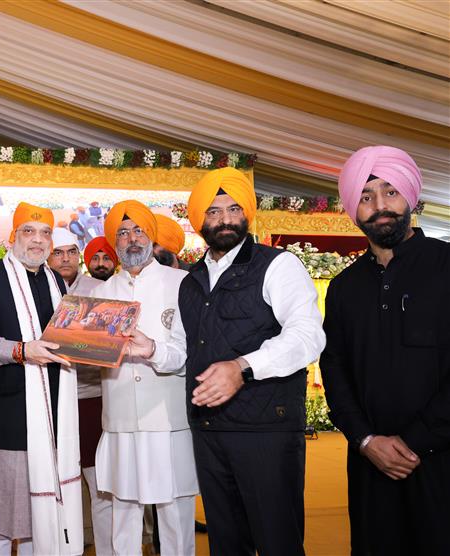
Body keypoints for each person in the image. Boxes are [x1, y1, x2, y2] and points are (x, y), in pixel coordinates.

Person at [132, 167, 325, 555]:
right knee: (226, 543)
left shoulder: (277, 265)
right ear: (199, 220)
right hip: (210, 431)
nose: (225, 220)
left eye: (234, 209)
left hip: (265, 431)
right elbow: (184, 351)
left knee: (277, 541)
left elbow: (308, 336)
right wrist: (151, 349)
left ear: (247, 213)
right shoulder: (191, 281)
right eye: (214, 211)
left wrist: (243, 367)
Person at [320, 146, 450, 555]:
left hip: (441, 460)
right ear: (353, 209)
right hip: (371, 463)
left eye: (390, 192)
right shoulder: (344, 287)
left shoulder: (446, 265)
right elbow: (334, 369)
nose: (380, 206)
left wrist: (415, 441)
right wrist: (365, 440)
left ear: (409, 195)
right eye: (366, 196)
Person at [0, 202, 82, 555]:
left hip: (50, 414)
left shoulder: (56, 280)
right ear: (13, 237)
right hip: (3, 413)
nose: (38, 240)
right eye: (29, 231)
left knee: (36, 520)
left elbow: (66, 337)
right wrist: (20, 350)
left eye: (45, 233)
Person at [91, 200, 198, 555]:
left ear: (151, 237)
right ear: (114, 242)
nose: (132, 239)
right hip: (120, 420)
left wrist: (152, 350)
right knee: (123, 515)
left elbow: (189, 353)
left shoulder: (182, 284)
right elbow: (88, 355)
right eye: (123, 233)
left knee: (175, 514)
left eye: (139, 231)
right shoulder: (100, 294)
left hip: (168, 420)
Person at [47, 227, 111, 555]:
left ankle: (105, 548)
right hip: (47, 401)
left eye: (71, 252)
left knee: (98, 481)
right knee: (54, 481)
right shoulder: (33, 288)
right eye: (58, 253)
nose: (65, 259)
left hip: (90, 397)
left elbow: (109, 344)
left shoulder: (99, 290)